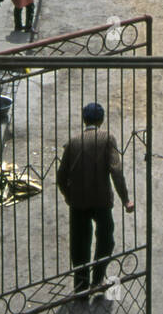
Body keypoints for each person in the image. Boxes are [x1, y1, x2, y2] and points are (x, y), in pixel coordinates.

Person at [56, 102, 134, 299]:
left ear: (84, 119)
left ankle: (81, 288)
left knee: (80, 244)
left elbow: (61, 176)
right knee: (106, 240)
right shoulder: (107, 138)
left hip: (78, 203)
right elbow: (116, 171)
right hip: (101, 202)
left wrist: (68, 196)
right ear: (101, 120)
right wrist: (126, 199)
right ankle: (98, 279)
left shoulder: (73, 142)